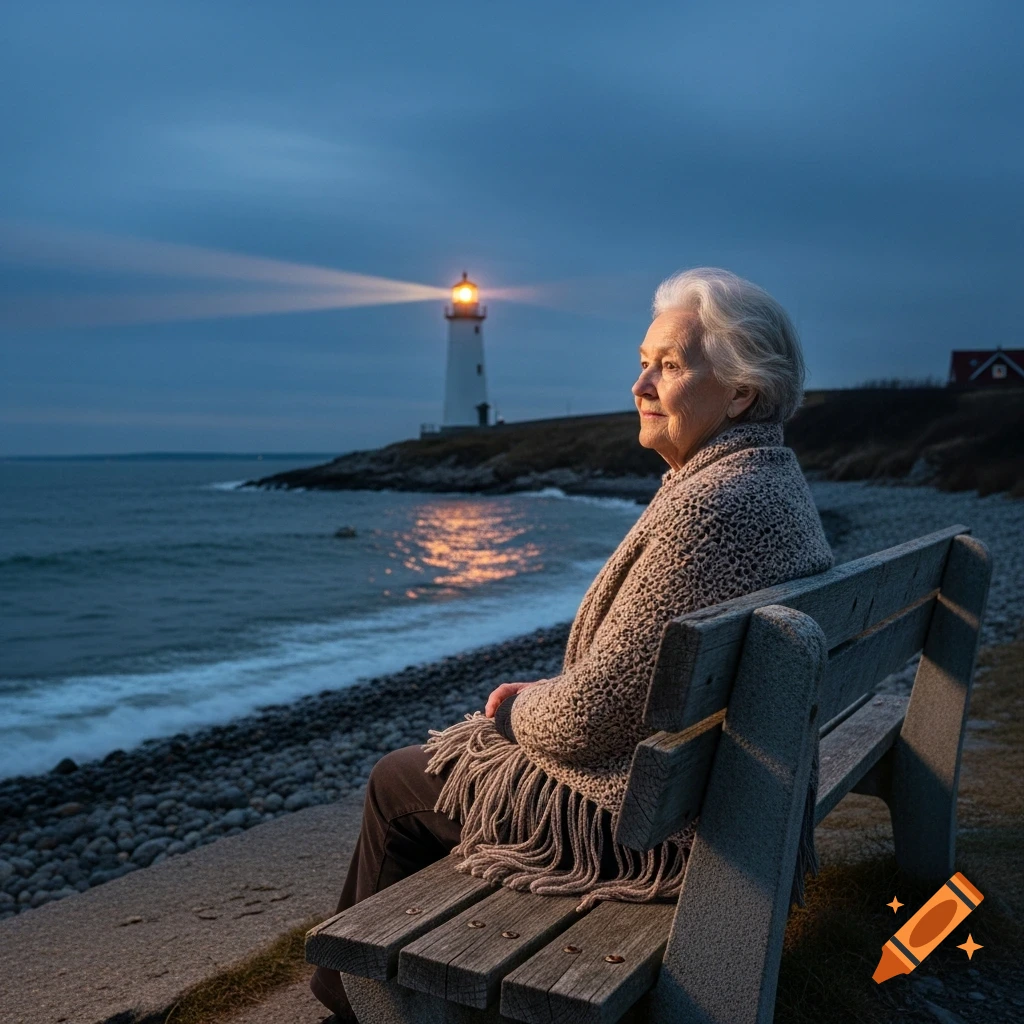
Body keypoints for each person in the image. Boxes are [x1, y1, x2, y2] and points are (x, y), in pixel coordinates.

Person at [311, 267, 835, 1019]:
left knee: (400, 782)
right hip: (728, 791)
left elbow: (590, 716)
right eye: (644, 362)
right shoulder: (769, 482)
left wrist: (516, 710)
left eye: (670, 366)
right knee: (441, 768)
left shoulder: (711, 510)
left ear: (742, 393)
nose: (640, 384)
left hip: (657, 828)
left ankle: (350, 993)